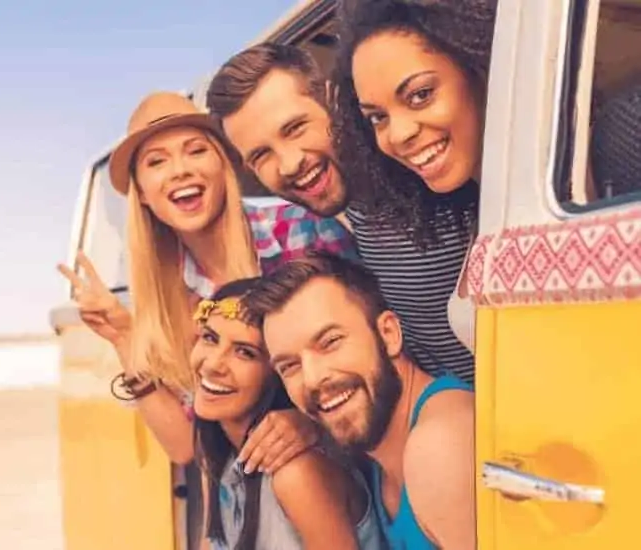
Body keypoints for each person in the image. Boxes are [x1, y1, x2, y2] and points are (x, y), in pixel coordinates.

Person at [58, 91, 357, 472]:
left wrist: (311, 421)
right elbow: (185, 447)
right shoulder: (169, 293)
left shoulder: (300, 229)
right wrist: (123, 338)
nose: (180, 170)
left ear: (223, 165)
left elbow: (384, 360)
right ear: (144, 195)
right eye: (157, 161)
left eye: (196, 150)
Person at [206, 0, 498, 385]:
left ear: (333, 102)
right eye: (262, 155)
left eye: (294, 128)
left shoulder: (439, 177)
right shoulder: (352, 220)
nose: (290, 162)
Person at [242, 253, 475, 550]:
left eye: (330, 343)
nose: (312, 379)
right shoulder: (380, 450)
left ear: (388, 334)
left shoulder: (439, 445)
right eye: (290, 366)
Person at [192, 277, 384, 550]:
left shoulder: (296, 474)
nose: (212, 365)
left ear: (279, 373)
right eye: (210, 338)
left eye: (244, 353)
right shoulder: (214, 448)